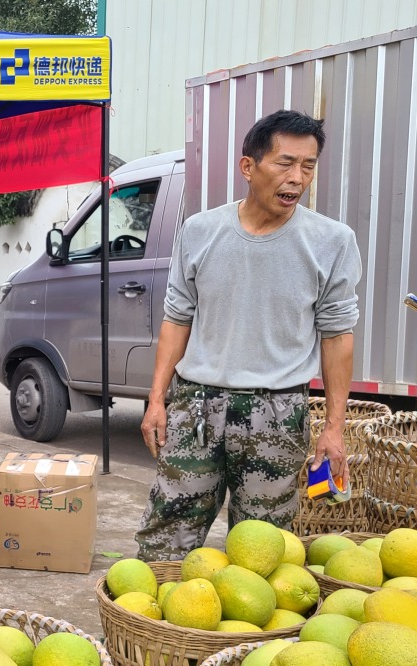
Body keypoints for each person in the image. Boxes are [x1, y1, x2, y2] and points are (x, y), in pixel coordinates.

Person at [136, 109, 361, 561]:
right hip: (196, 405)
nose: (297, 178)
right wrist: (157, 398)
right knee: (166, 540)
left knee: (261, 550)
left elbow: (337, 336)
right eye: (285, 163)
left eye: (308, 166)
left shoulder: (332, 241)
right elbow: (177, 319)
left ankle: (246, 636)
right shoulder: (200, 231)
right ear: (248, 166)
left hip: (276, 413)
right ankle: (151, 631)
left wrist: (333, 429)